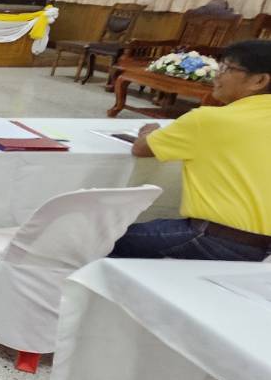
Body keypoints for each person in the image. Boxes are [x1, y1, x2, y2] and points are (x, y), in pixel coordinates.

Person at [111, 38, 271, 261]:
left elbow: (141, 148)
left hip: (211, 238)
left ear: (260, 80)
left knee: (100, 240)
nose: (217, 74)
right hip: (264, 250)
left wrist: (150, 131)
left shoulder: (210, 120)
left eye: (227, 68)